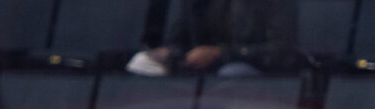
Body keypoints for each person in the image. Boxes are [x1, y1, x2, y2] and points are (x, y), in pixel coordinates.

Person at [127, 0, 297, 78]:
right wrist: (169, 52)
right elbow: (179, 37)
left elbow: (280, 51)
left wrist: (220, 54)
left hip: (253, 72)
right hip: (199, 67)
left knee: (232, 73)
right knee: (142, 63)